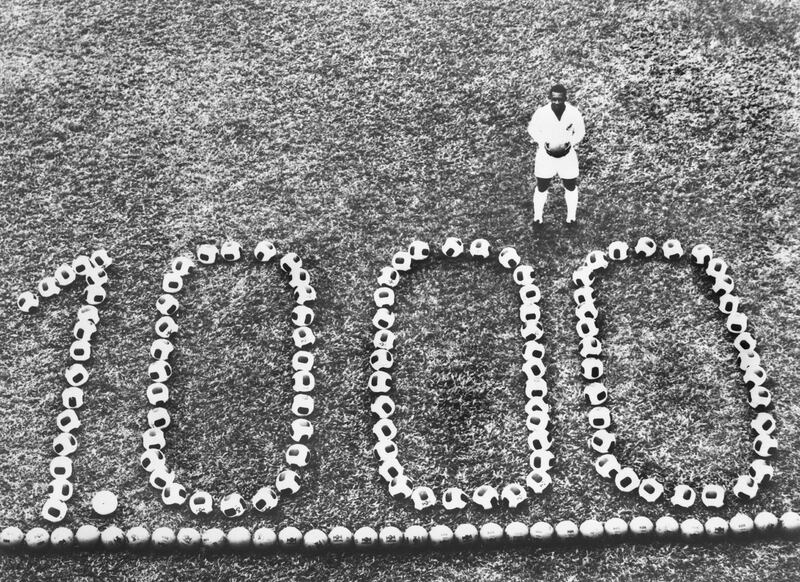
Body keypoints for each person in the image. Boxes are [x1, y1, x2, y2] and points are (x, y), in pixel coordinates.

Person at [527, 84, 585, 223]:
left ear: (565, 98)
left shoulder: (573, 113)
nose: (557, 102)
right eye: (554, 99)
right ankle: (538, 218)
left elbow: (581, 132)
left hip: (567, 156)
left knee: (570, 185)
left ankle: (571, 217)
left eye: (560, 99)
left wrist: (571, 142)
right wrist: (543, 143)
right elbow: (532, 129)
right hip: (546, 157)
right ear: (549, 98)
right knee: (542, 185)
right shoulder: (541, 113)